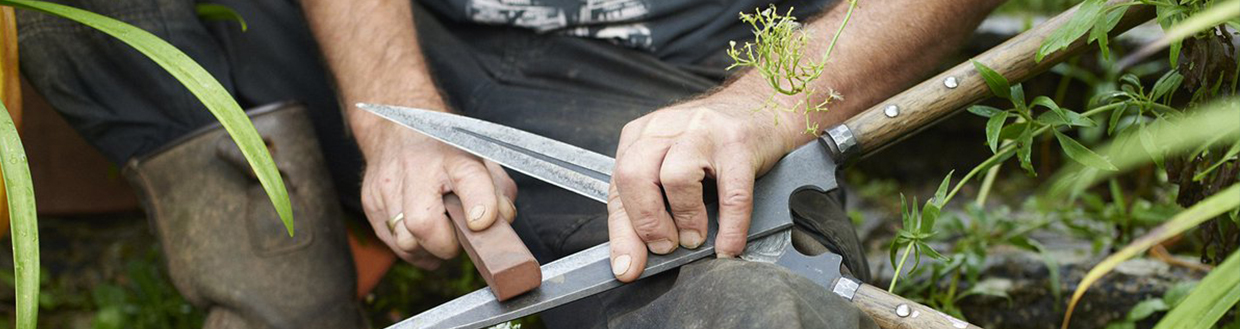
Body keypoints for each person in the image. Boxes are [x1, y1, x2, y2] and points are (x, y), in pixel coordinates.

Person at [18, 0, 1003, 327]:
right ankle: (284, 303)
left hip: (675, 99)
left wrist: (760, 109)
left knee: (756, 305)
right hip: (399, 42)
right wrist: (394, 117)